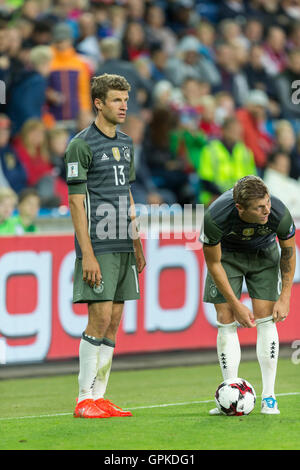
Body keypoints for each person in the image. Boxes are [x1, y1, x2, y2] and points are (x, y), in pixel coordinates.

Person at [65, 73, 146, 419]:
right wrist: (87, 253)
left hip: (123, 243)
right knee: (98, 319)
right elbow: (76, 203)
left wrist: (137, 239)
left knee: (114, 321)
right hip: (98, 244)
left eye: (125, 99)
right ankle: (84, 398)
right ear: (99, 103)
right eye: (116, 99)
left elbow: (126, 192)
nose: (123, 105)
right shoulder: (80, 145)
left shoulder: (127, 143)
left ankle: (100, 397)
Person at [202, 175, 296, 415]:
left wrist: (285, 295)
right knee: (225, 318)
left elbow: (288, 251)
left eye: (267, 203)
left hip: (263, 254)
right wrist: (236, 304)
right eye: (259, 207)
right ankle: (228, 394)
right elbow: (213, 264)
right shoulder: (215, 216)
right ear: (239, 208)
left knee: (266, 318)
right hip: (227, 257)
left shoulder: (279, 213)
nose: (267, 209)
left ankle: (269, 397)